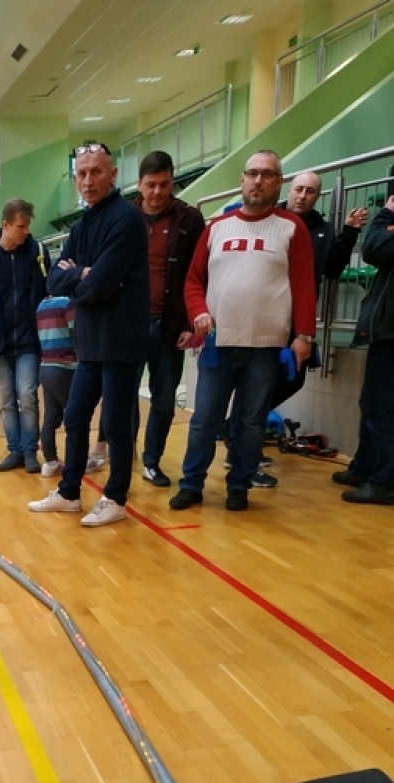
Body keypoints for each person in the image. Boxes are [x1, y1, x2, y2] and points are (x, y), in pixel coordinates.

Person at [169, 150, 316, 512]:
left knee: (250, 423)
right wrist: (199, 313)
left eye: (267, 174)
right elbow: (193, 282)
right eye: (252, 173)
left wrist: (303, 335)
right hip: (219, 344)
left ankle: (239, 486)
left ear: (278, 182)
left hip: (266, 348)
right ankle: (191, 485)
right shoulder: (217, 227)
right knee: (204, 420)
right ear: (242, 179)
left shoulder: (291, 228)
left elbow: (303, 286)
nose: (258, 180)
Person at [28, 143, 149, 526]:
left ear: (113, 175)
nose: (88, 180)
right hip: (90, 342)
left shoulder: (126, 219)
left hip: (122, 340)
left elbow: (100, 285)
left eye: (96, 172)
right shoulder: (82, 226)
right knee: (76, 416)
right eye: (81, 173)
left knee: (115, 424)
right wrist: (83, 274)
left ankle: (115, 497)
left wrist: (81, 276)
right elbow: (54, 280)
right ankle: (69, 493)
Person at [259, 172, 369, 449]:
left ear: (317, 197)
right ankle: (244, 437)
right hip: (263, 315)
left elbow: (331, 269)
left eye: (309, 191)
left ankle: (241, 423)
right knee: (258, 378)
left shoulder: (323, 230)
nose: (302, 195)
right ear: (289, 189)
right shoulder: (268, 218)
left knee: (293, 379)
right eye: (298, 189)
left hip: (299, 320)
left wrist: (350, 233)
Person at [131, 151, 205, 488]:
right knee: (122, 393)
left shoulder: (190, 219)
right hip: (128, 324)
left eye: (164, 184)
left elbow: (198, 274)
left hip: (171, 325)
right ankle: (123, 452)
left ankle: (152, 461)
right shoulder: (124, 216)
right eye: (151, 185)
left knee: (163, 398)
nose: (158, 192)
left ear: (172, 182)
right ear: (139, 184)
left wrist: (192, 324)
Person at [0, 198, 50, 474]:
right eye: (21, 226)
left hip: (29, 341)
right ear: (6, 225)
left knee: (27, 395)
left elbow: (50, 293)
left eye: (27, 225)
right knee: (5, 399)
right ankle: (14, 450)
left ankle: (30, 451)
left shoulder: (37, 252)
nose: (26, 231)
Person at [333, 193, 394, 505]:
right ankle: (367, 467)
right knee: (373, 404)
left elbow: (374, 248)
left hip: (392, 335)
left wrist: (385, 215)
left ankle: (384, 481)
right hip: (386, 333)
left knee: (382, 408)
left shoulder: (388, 221)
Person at [36, 295, 76, 476]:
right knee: (74, 417)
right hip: (65, 367)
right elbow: (76, 332)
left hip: (46, 366)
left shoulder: (41, 305)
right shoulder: (68, 304)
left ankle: (50, 462)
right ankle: (75, 462)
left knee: (51, 417)